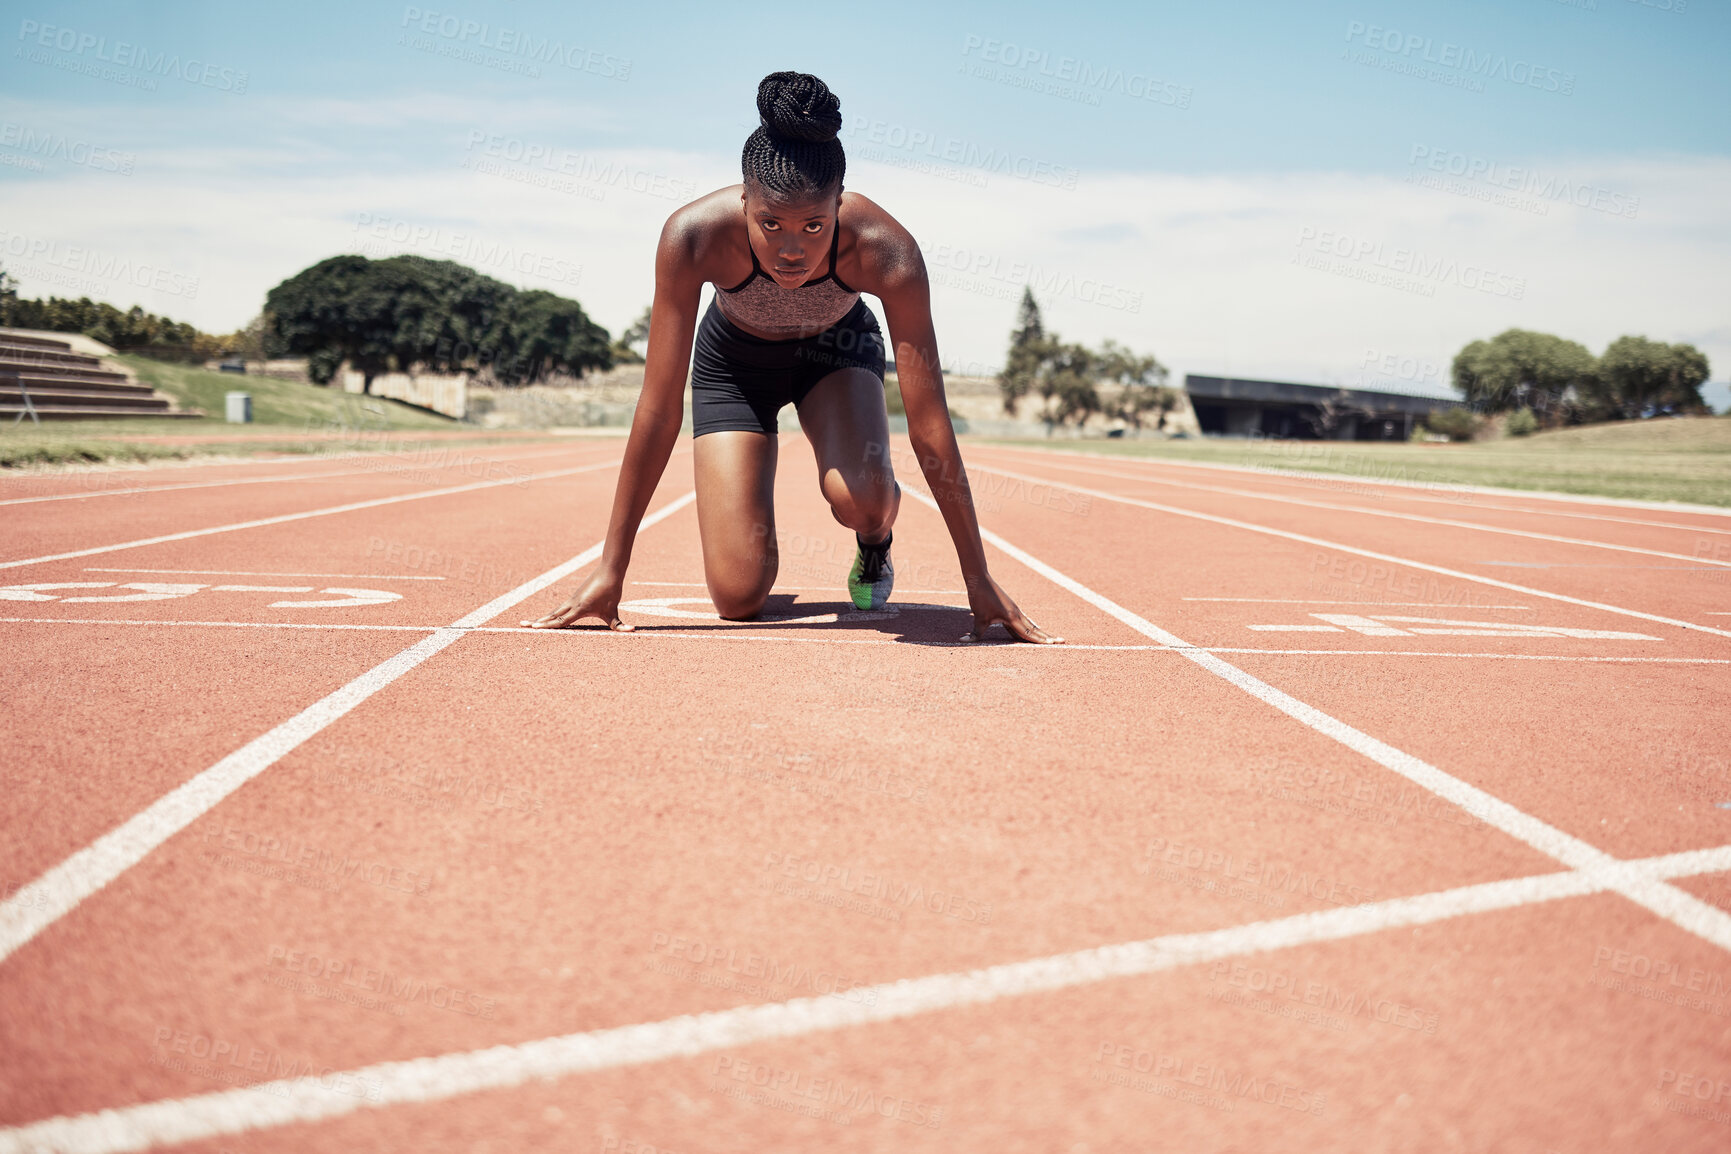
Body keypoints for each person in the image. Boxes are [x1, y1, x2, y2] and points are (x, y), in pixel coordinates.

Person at [524, 70, 1060, 644]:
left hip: (836, 354)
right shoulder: (692, 237)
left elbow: (929, 425)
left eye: (814, 226)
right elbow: (657, 410)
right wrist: (612, 571)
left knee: (864, 500)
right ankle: (751, 503)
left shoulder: (889, 252)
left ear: (840, 207)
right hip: (733, 367)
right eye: (770, 223)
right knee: (737, 596)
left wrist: (976, 576)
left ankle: (875, 542)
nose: (791, 249)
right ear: (743, 200)